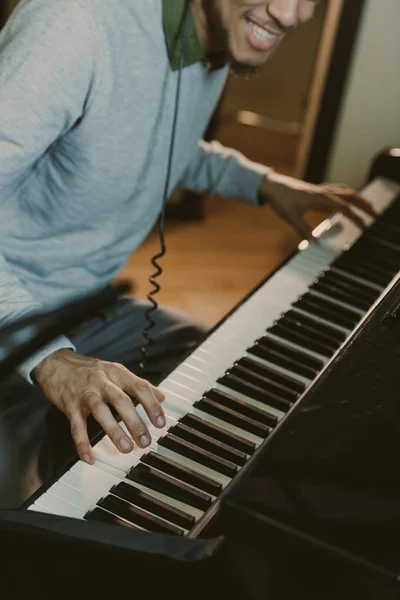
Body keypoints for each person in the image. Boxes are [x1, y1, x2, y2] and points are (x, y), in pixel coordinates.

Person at [0, 0, 374, 503]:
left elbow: (154, 140)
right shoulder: (74, 22)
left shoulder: (211, 32)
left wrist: (265, 184)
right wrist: (54, 360)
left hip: (87, 306)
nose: (288, 13)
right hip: (14, 323)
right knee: (23, 516)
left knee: (235, 386)